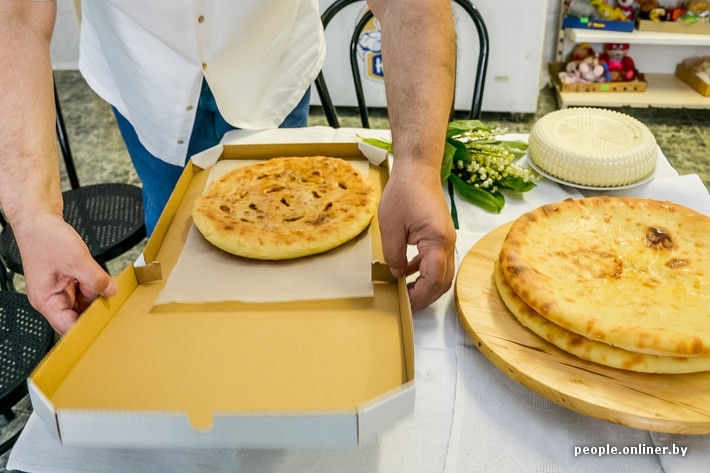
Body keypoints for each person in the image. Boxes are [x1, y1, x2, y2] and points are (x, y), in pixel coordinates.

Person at [0, 0, 457, 334]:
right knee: (175, 254)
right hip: (144, 77)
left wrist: (417, 167)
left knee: (297, 254)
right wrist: (32, 213)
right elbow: (14, 16)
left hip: (269, 62)